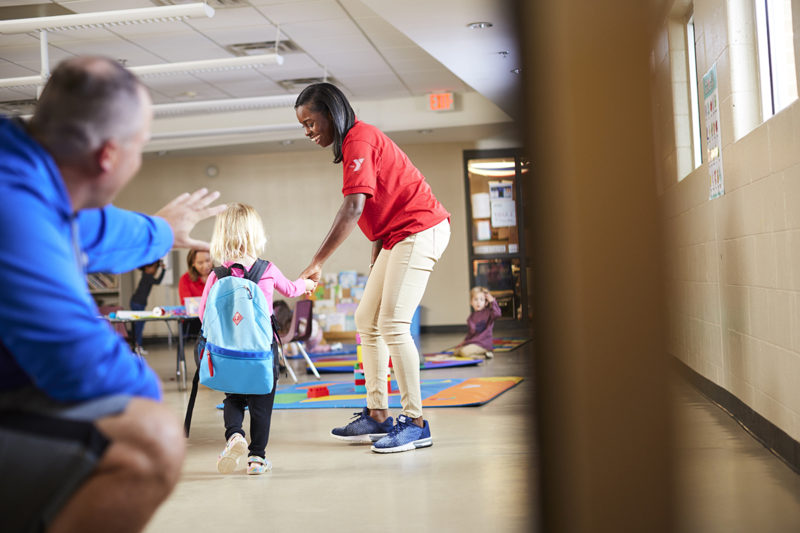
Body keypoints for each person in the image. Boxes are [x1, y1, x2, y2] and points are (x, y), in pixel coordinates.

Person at [0, 56, 226, 533]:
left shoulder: (24, 172)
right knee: (150, 439)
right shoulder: (14, 209)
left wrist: (162, 231)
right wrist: (149, 399)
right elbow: (78, 363)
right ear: (108, 155)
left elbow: (94, 227)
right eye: (140, 146)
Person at [295, 82, 451, 454]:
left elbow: (354, 207)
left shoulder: (359, 139)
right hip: (397, 237)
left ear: (331, 113)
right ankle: (378, 413)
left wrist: (316, 263)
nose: (308, 132)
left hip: (420, 228)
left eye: (310, 123)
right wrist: (378, 257)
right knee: (367, 320)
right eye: (302, 126)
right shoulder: (355, 143)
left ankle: (415, 423)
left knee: (394, 325)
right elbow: (381, 205)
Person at [198, 203, 314, 475]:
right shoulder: (267, 270)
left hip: (228, 352)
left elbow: (202, 315)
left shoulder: (217, 275)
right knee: (262, 403)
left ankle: (235, 435)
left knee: (233, 398)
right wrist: (307, 284)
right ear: (255, 234)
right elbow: (292, 289)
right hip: (261, 351)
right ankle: (257, 459)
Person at [452, 286, 502, 358]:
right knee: (456, 352)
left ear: (486, 303)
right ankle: (481, 354)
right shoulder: (471, 317)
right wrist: (463, 342)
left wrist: (492, 301)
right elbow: (470, 334)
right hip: (473, 343)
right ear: (471, 302)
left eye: (481, 300)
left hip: (483, 344)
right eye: (475, 299)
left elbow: (498, 313)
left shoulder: (489, 313)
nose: (478, 302)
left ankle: (484, 354)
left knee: (464, 352)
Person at [129, 259, 166, 355]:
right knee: (139, 325)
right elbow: (157, 281)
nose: (154, 270)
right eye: (154, 267)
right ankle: (138, 347)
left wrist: (160, 267)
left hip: (138, 302)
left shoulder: (146, 275)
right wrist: (163, 270)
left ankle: (137, 347)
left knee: (139, 325)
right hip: (137, 303)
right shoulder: (147, 276)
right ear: (146, 267)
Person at [178, 249, 212, 338]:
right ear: (192, 263)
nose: (205, 265)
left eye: (208, 261)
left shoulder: (219, 276)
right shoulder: (185, 279)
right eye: (200, 263)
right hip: (195, 321)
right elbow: (187, 303)